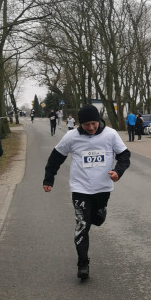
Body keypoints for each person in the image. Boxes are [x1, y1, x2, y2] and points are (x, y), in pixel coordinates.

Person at [42, 104, 131, 280]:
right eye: (86, 125)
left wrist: (118, 171)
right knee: (83, 224)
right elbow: (55, 158)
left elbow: (124, 156)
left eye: (93, 123)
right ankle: (83, 263)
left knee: (96, 220)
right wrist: (48, 179)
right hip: (80, 188)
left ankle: (99, 213)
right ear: (79, 124)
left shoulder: (111, 134)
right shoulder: (71, 137)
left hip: (103, 189)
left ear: (99, 120)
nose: (90, 128)